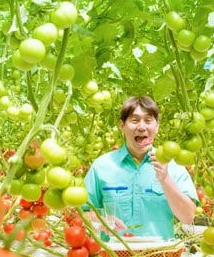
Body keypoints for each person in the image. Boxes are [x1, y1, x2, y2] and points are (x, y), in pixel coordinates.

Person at [83, 96, 198, 240]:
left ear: (157, 127)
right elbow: (82, 213)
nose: (142, 127)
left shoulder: (174, 167)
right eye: (134, 120)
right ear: (122, 125)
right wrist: (100, 220)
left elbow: (188, 217)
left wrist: (165, 179)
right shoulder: (101, 166)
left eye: (148, 121)